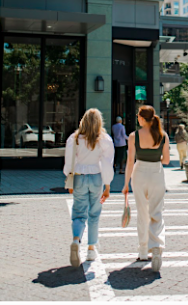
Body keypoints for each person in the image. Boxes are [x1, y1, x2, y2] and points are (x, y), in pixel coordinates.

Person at [64, 108, 114, 268]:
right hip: (96, 176)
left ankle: (76, 240)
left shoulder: (74, 138)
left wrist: (68, 177)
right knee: (94, 213)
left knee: (78, 212)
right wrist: (107, 185)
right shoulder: (104, 139)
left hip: (78, 176)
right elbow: (107, 164)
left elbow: (68, 161)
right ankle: (91, 248)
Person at [123, 105, 170, 273]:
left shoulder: (133, 136)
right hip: (157, 172)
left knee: (142, 212)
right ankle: (156, 246)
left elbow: (129, 161)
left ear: (142, 118)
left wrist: (125, 183)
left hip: (140, 173)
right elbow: (166, 160)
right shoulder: (163, 135)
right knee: (156, 212)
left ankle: (143, 250)